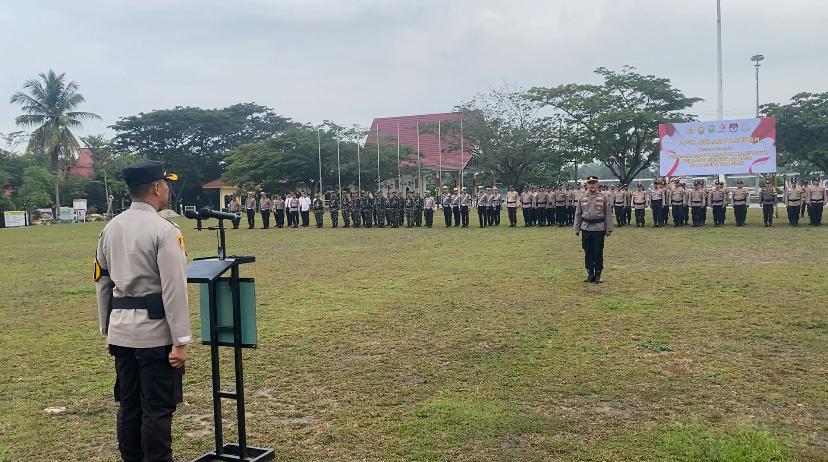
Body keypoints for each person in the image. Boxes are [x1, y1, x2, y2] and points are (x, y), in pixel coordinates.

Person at [95, 160, 190, 462]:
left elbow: (102, 282)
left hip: (121, 332)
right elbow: (174, 289)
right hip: (155, 335)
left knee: (129, 406)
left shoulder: (110, 228)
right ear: (157, 187)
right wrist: (181, 340)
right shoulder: (164, 230)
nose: (168, 190)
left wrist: (106, 330)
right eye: (167, 184)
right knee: (158, 408)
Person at [574, 176, 612, 283]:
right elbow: (578, 213)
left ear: (597, 184)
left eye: (594, 183)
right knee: (588, 251)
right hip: (586, 228)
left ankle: (598, 274)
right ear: (587, 185)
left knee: (598, 251)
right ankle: (590, 273)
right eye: (590, 183)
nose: (592, 185)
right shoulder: (582, 197)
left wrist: (608, 228)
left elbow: (608, 214)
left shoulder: (603, 197)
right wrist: (577, 228)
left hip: (599, 229)